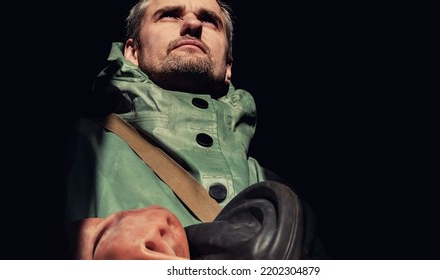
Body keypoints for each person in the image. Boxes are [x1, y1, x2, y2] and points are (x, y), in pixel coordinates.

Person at [63, 0, 327, 260]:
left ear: (228, 67)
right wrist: (94, 242)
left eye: (209, 20)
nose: (192, 24)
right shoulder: (76, 144)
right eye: (169, 15)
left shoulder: (283, 198)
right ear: (132, 52)